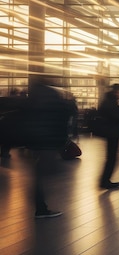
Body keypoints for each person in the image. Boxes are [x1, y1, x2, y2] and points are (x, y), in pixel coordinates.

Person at [25, 76, 75, 218]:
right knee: (46, 172)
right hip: (47, 141)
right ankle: (40, 207)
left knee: (41, 171)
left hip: (35, 140)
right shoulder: (52, 95)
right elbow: (60, 118)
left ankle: (38, 201)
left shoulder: (33, 96)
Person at [97, 83, 119, 190]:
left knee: (111, 157)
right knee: (112, 158)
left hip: (111, 132)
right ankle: (104, 181)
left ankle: (105, 180)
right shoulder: (111, 102)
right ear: (117, 91)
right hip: (112, 133)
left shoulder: (108, 101)